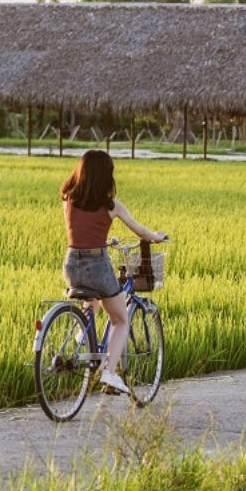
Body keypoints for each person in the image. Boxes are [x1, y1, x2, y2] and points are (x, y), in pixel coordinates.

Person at [60, 150, 167, 395]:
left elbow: (79, 231)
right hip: (97, 266)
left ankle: (82, 333)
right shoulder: (112, 206)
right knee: (120, 319)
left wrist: (103, 240)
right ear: (107, 176)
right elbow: (141, 231)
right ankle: (109, 372)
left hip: (71, 265)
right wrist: (157, 237)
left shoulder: (68, 199)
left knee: (93, 298)